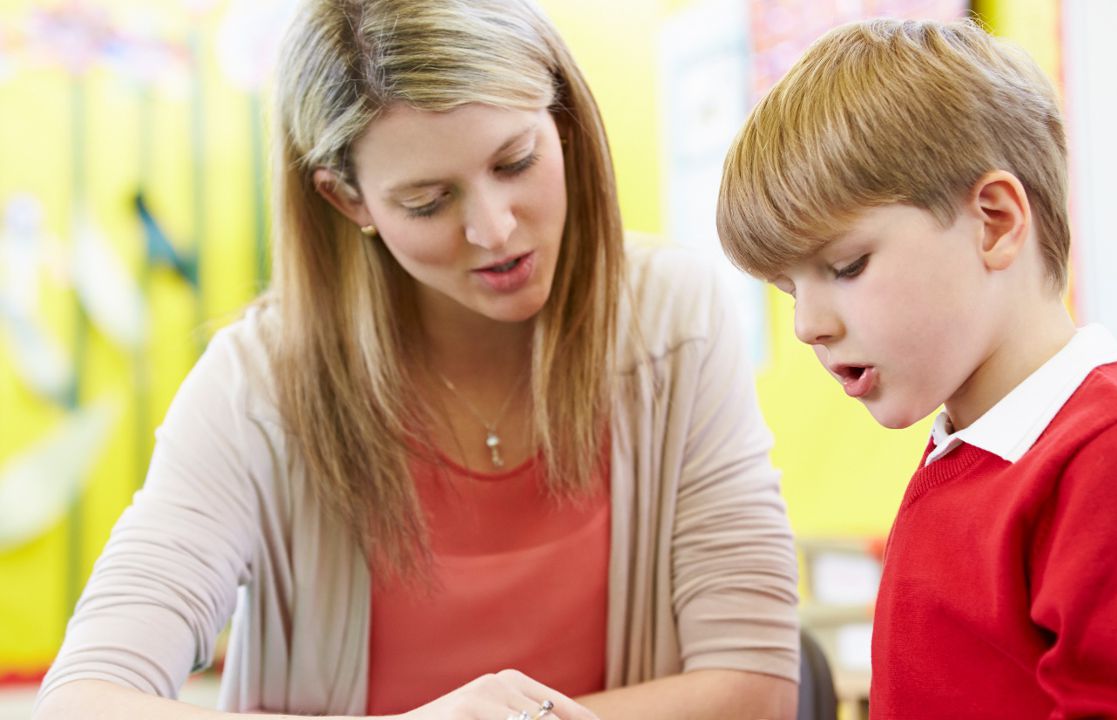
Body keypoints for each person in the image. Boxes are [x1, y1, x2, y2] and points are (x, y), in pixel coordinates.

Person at [33, 1, 801, 718]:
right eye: (428, 202)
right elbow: (84, 701)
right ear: (347, 200)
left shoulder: (675, 321)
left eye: (515, 162)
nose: (495, 230)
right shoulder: (258, 385)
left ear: (561, 121)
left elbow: (753, 684)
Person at [716, 17, 1117, 719]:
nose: (807, 325)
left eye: (845, 266)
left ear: (995, 222)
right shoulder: (965, 457)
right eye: (790, 290)